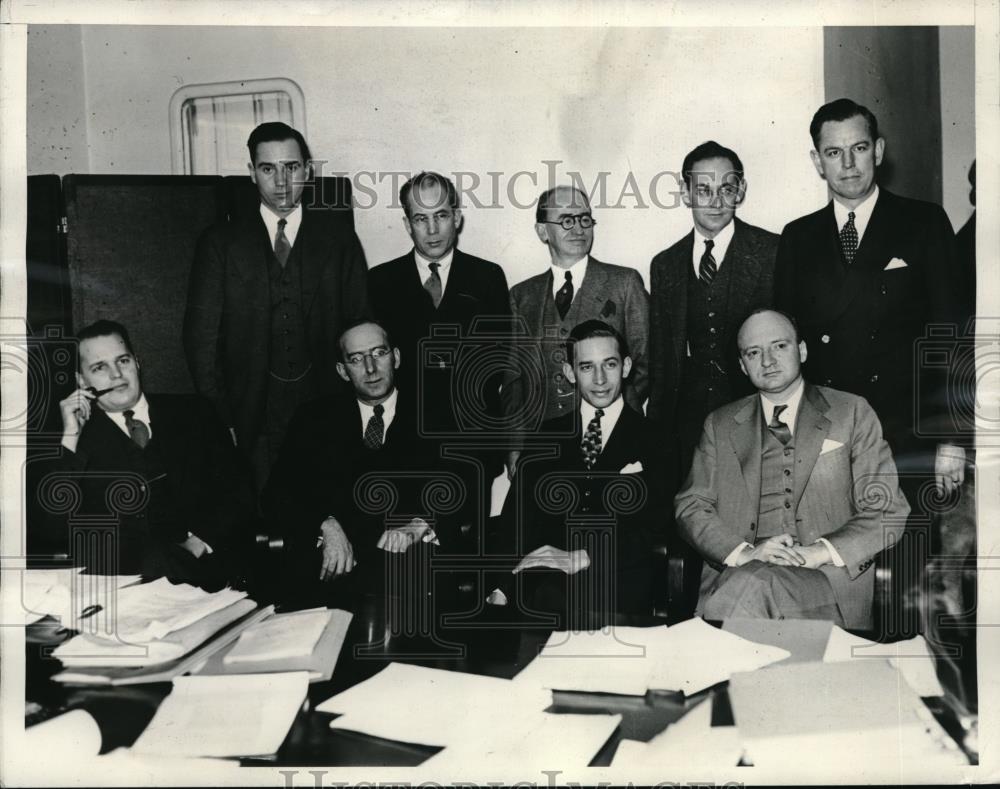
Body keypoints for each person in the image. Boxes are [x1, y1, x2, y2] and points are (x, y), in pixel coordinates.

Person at [774, 98, 966, 498]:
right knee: (831, 553)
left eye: (858, 148)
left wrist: (950, 438)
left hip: (906, 430)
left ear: (877, 150)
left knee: (907, 550)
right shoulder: (798, 237)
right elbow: (787, 343)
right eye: (833, 152)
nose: (847, 164)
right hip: (826, 431)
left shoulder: (924, 223)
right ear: (817, 160)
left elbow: (951, 337)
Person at [675, 309, 908, 628]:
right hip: (739, 577)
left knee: (755, 589)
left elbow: (888, 511)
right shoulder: (720, 424)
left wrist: (819, 551)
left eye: (779, 346)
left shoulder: (852, 412)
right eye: (753, 353)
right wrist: (745, 554)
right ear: (743, 366)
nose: (767, 360)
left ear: (802, 350)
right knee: (754, 584)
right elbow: (691, 506)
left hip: (824, 584)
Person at [183, 121, 370, 491]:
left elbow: (361, 327)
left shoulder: (339, 239)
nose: (282, 182)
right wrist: (224, 421)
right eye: (268, 169)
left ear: (308, 169)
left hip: (325, 409)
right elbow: (200, 343)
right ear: (252, 173)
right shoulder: (220, 244)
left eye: (292, 167)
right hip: (251, 418)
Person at [263, 319, 474, 608]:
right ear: (342, 371)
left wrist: (419, 524)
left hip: (410, 569)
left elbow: (464, 483)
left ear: (396, 357)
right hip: (331, 567)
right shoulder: (313, 419)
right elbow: (278, 493)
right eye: (356, 359)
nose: (371, 368)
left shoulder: (439, 414)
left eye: (379, 353)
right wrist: (325, 525)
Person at [31, 320, 254, 588]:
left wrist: (199, 544)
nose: (116, 375)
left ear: (137, 363)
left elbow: (240, 492)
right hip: (125, 590)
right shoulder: (72, 440)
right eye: (100, 367)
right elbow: (50, 530)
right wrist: (71, 436)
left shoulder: (195, 412)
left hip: (212, 576)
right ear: (82, 381)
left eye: (122, 361)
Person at [501, 320, 669, 620]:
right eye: (587, 367)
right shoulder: (544, 437)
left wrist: (582, 556)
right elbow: (515, 522)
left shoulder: (658, 439)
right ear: (570, 373)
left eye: (610, 364)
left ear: (627, 366)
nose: (600, 379)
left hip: (617, 580)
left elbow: (656, 525)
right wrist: (500, 587)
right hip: (544, 585)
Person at [648, 141, 778, 478]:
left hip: (757, 417)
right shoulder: (665, 265)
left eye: (727, 189)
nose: (717, 201)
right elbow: (663, 359)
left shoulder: (772, 251)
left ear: (741, 190)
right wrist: (659, 433)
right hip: (688, 422)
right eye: (704, 190)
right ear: (685, 192)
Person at [368, 171, 511, 475]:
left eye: (441, 215)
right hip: (404, 444)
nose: (432, 229)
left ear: (457, 218)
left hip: (473, 444)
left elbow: (497, 363)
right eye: (421, 219)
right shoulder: (380, 281)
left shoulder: (487, 277)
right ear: (407, 224)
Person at [504, 186, 650, 477]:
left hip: (612, 436)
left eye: (585, 219)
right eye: (566, 220)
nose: (579, 228)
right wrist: (516, 444)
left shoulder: (625, 282)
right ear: (542, 231)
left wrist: (615, 410)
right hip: (544, 444)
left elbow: (645, 362)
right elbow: (513, 379)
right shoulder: (522, 296)